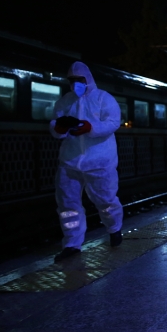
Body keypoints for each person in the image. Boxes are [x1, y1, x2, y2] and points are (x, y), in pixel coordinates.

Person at [49, 61, 124, 262]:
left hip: (99, 162)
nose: (75, 84)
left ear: (88, 79)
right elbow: (55, 123)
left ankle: (114, 229)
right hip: (69, 161)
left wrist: (90, 127)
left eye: (79, 80)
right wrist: (59, 129)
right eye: (72, 80)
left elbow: (112, 123)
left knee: (106, 200)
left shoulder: (103, 98)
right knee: (67, 205)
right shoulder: (65, 101)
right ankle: (72, 244)